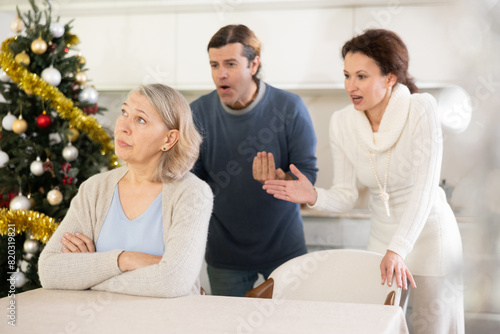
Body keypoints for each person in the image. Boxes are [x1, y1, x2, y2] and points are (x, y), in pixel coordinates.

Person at [263, 29, 464, 334]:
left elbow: (425, 189)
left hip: (428, 236)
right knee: (374, 323)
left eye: (361, 76)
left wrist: (399, 249)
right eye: (346, 76)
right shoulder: (342, 122)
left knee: (433, 327)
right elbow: (345, 194)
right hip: (382, 241)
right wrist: (313, 195)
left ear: (390, 77)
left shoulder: (421, 109)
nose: (351, 86)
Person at [38, 84, 213, 298]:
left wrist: (87, 276)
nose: (122, 127)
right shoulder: (94, 189)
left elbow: (173, 281)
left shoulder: (192, 193)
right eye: (124, 112)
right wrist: (123, 260)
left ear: (169, 139)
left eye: (140, 119)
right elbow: (50, 271)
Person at [190, 24, 318, 297]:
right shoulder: (197, 113)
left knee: (291, 323)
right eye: (214, 65)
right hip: (225, 255)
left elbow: (308, 176)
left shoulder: (290, 108)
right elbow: (193, 183)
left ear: (254, 64)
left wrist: (284, 180)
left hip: (285, 249)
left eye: (231, 64)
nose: (221, 74)